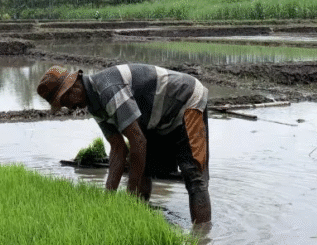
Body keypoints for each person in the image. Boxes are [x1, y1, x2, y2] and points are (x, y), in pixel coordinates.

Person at [37, 64, 211, 224]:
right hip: (154, 116)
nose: (69, 107)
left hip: (187, 100)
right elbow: (118, 148)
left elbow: (138, 141)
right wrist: (108, 198)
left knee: (194, 177)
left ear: (74, 86)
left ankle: (202, 240)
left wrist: (129, 196)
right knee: (143, 170)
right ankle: (138, 220)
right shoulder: (94, 105)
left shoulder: (108, 89)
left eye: (65, 100)